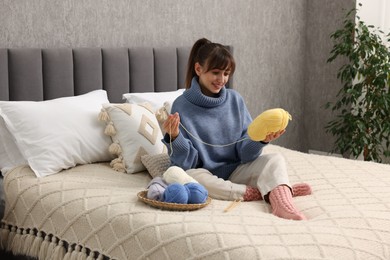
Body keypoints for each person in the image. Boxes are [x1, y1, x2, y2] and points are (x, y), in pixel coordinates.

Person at [162, 38, 311, 220]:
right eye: (216, 72)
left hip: (237, 170)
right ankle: (266, 190)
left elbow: (245, 154)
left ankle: (281, 202)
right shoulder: (181, 105)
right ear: (198, 69)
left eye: (226, 73)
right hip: (206, 173)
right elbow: (186, 163)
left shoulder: (235, 100)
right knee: (192, 177)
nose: (222, 79)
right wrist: (175, 136)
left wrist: (261, 139)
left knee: (275, 159)